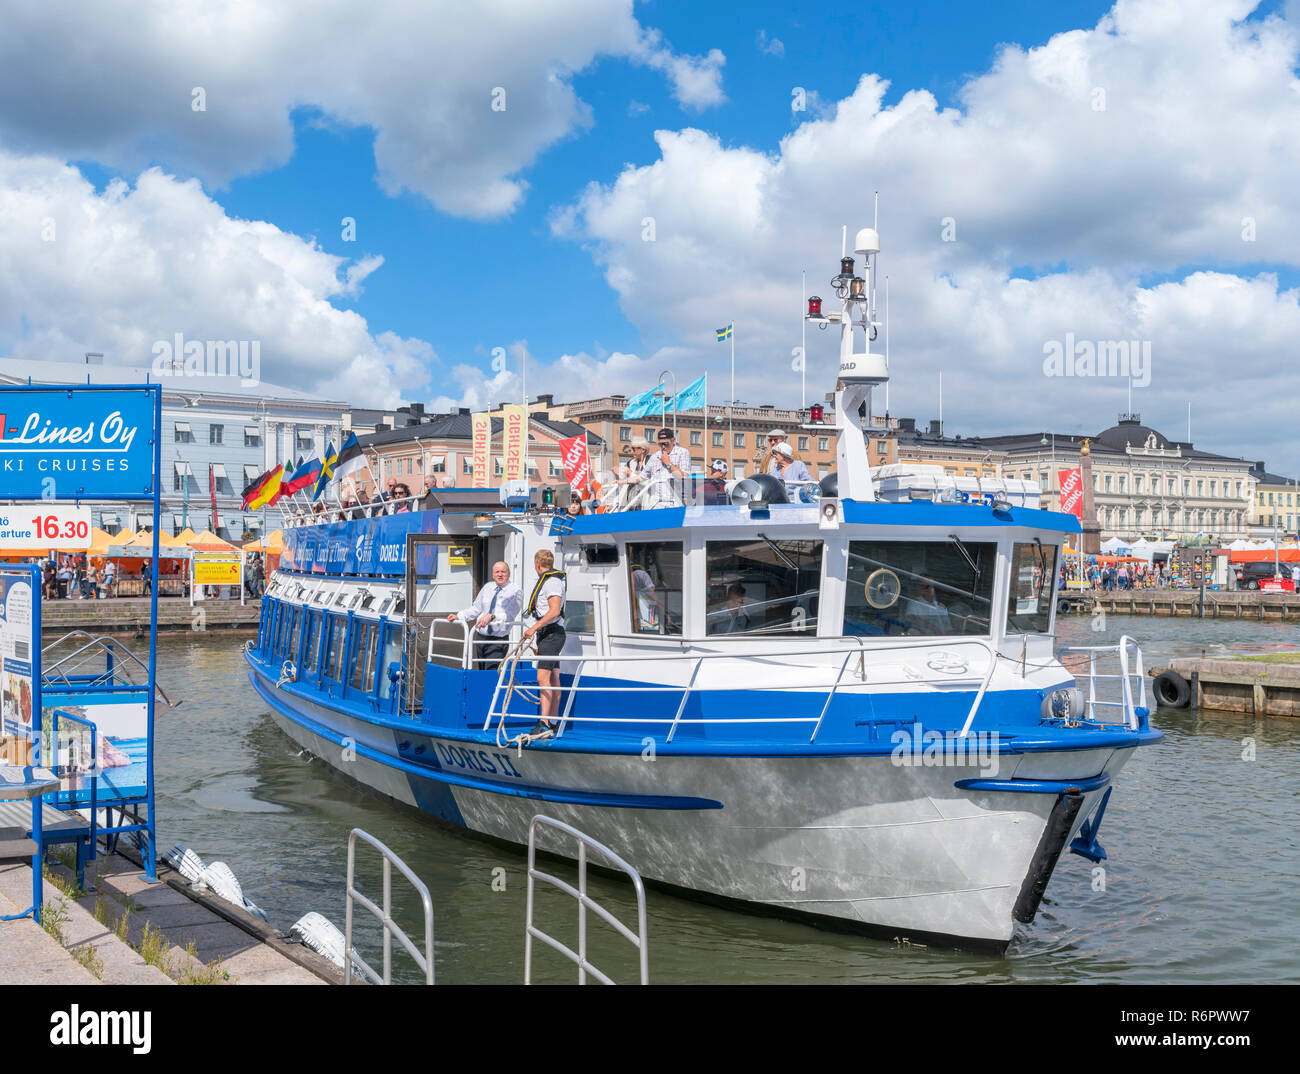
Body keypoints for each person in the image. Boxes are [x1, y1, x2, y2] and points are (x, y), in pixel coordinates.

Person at [446, 561, 522, 671]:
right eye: (497, 572)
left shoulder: (515, 590)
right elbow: (476, 608)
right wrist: (459, 616)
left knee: (491, 672)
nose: (500, 574)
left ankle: (492, 688)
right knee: (481, 671)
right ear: (493, 574)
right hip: (481, 638)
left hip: (498, 640)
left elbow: (510, 615)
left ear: (509, 574)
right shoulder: (487, 587)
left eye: (503, 572)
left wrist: (492, 616)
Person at [523, 549, 566, 736]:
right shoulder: (551, 581)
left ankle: (545, 722)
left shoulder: (552, 582)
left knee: (543, 678)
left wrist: (533, 628)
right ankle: (553, 722)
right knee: (554, 677)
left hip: (552, 634)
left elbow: (554, 611)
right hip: (547, 635)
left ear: (537, 565)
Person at [641, 428, 691, 506]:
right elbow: (642, 477)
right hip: (657, 503)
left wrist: (668, 463)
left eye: (665, 444)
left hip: (675, 503)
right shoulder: (655, 456)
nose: (663, 447)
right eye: (660, 444)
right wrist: (623, 481)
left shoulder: (683, 453)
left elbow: (683, 477)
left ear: (673, 440)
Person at [615, 438, 651, 509]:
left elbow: (646, 481)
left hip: (646, 502)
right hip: (631, 502)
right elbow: (624, 483)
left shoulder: (651, 462)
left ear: (643, 450)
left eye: (634, 449)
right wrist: (617, 474)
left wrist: (630, 473)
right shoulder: (630, 463)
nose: (631, 451)